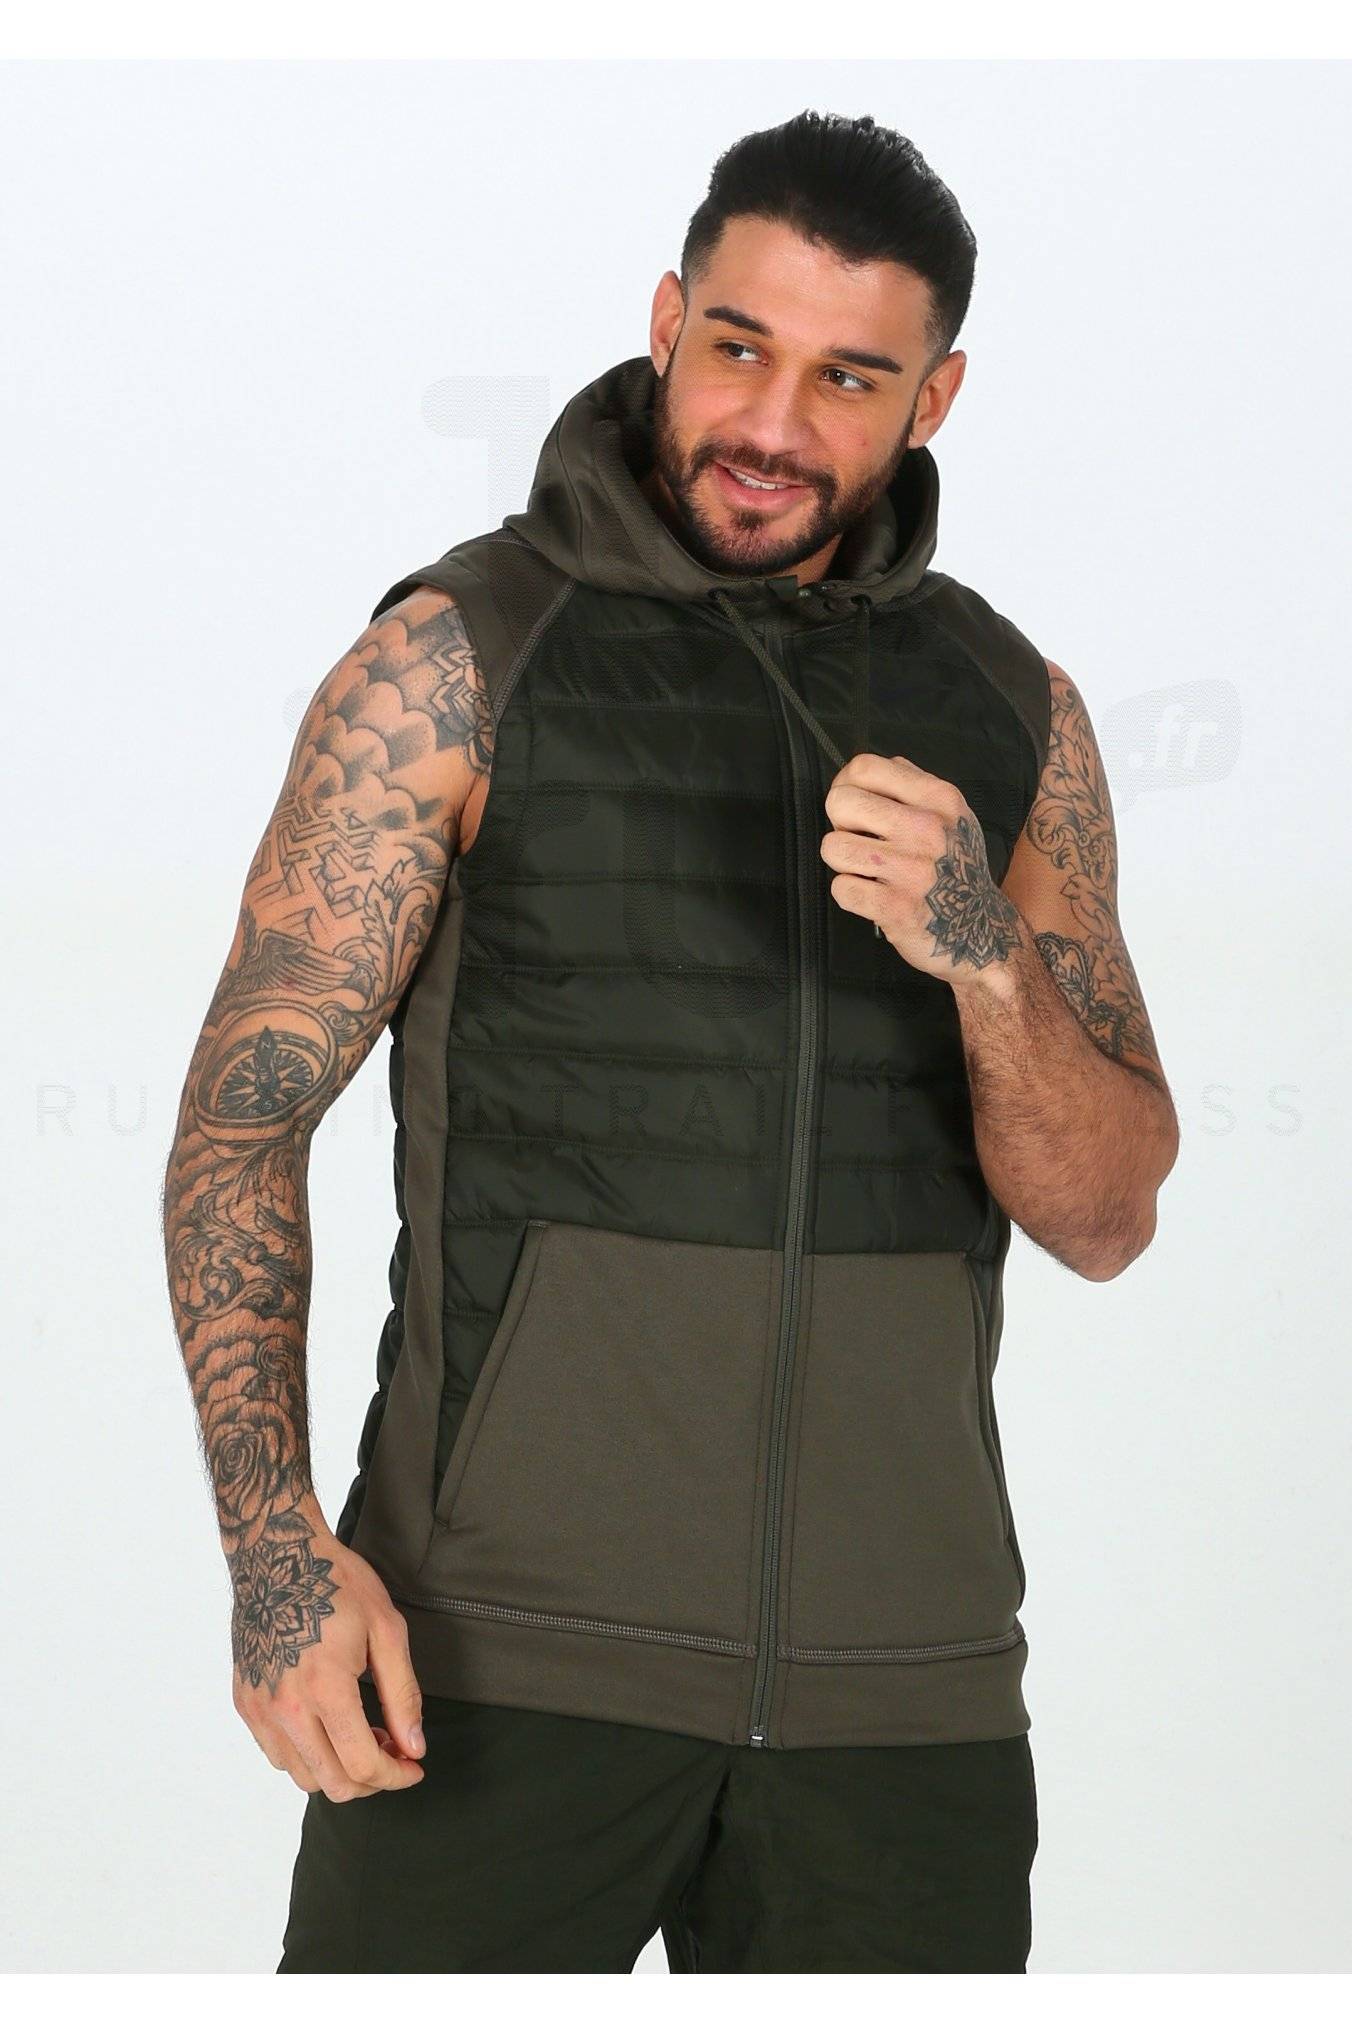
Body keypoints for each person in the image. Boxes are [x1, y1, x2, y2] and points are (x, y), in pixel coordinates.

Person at [161, 109, 1178, 1973]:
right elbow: (243, 1121)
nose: (772, 422)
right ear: (664, 321)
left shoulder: (1010, 708)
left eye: (848, 376)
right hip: (486, 1670)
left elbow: (1109, 1214)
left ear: (935, 399)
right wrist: (278, 1556)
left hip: (905, 1698)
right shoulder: (460, 657)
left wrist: (986, 964)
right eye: (737, 346)